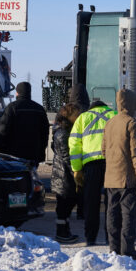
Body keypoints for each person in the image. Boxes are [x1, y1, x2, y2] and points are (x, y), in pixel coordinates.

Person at [102, 89, 136, 259]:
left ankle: (114, 248)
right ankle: (127, 249)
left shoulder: (110, 123)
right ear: (131, 103)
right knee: (128, 215)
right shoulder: (132, 123)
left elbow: (103, 150)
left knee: (112, 215)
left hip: (111, 177)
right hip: (127, 178)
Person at [69, 98, 117, 245]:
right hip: (112, 163)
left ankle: (90, 238)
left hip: (91, 165)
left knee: (91, 203)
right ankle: (111, 238)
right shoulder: (114, 115)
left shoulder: (83, 118)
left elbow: (74, 146)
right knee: (112, 203)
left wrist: (77, 170)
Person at [51, 104, 82, 243]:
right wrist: (76, 171)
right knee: (64, 205)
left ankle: (65, 231)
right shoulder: (62, 133)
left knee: (67, 203)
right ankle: (62, 233)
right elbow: (67, 156)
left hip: (63, 175)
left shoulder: (63, 131)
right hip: (63, 176)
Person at [0, 82, 50, 167]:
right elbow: (45, 133)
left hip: (14, 153)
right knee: (31, 176)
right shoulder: (39, 109)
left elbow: (3, 131)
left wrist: (2, 150)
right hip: (33, 152)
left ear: (17, 92)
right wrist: (41, 152)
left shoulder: (12, 107)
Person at [68, 83, 90, 220]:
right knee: (83, 185)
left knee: (70, 184)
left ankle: (66, 212)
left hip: (70, 153)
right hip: (86, 154)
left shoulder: (66, 110)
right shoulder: (87, 112)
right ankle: (82, 211)